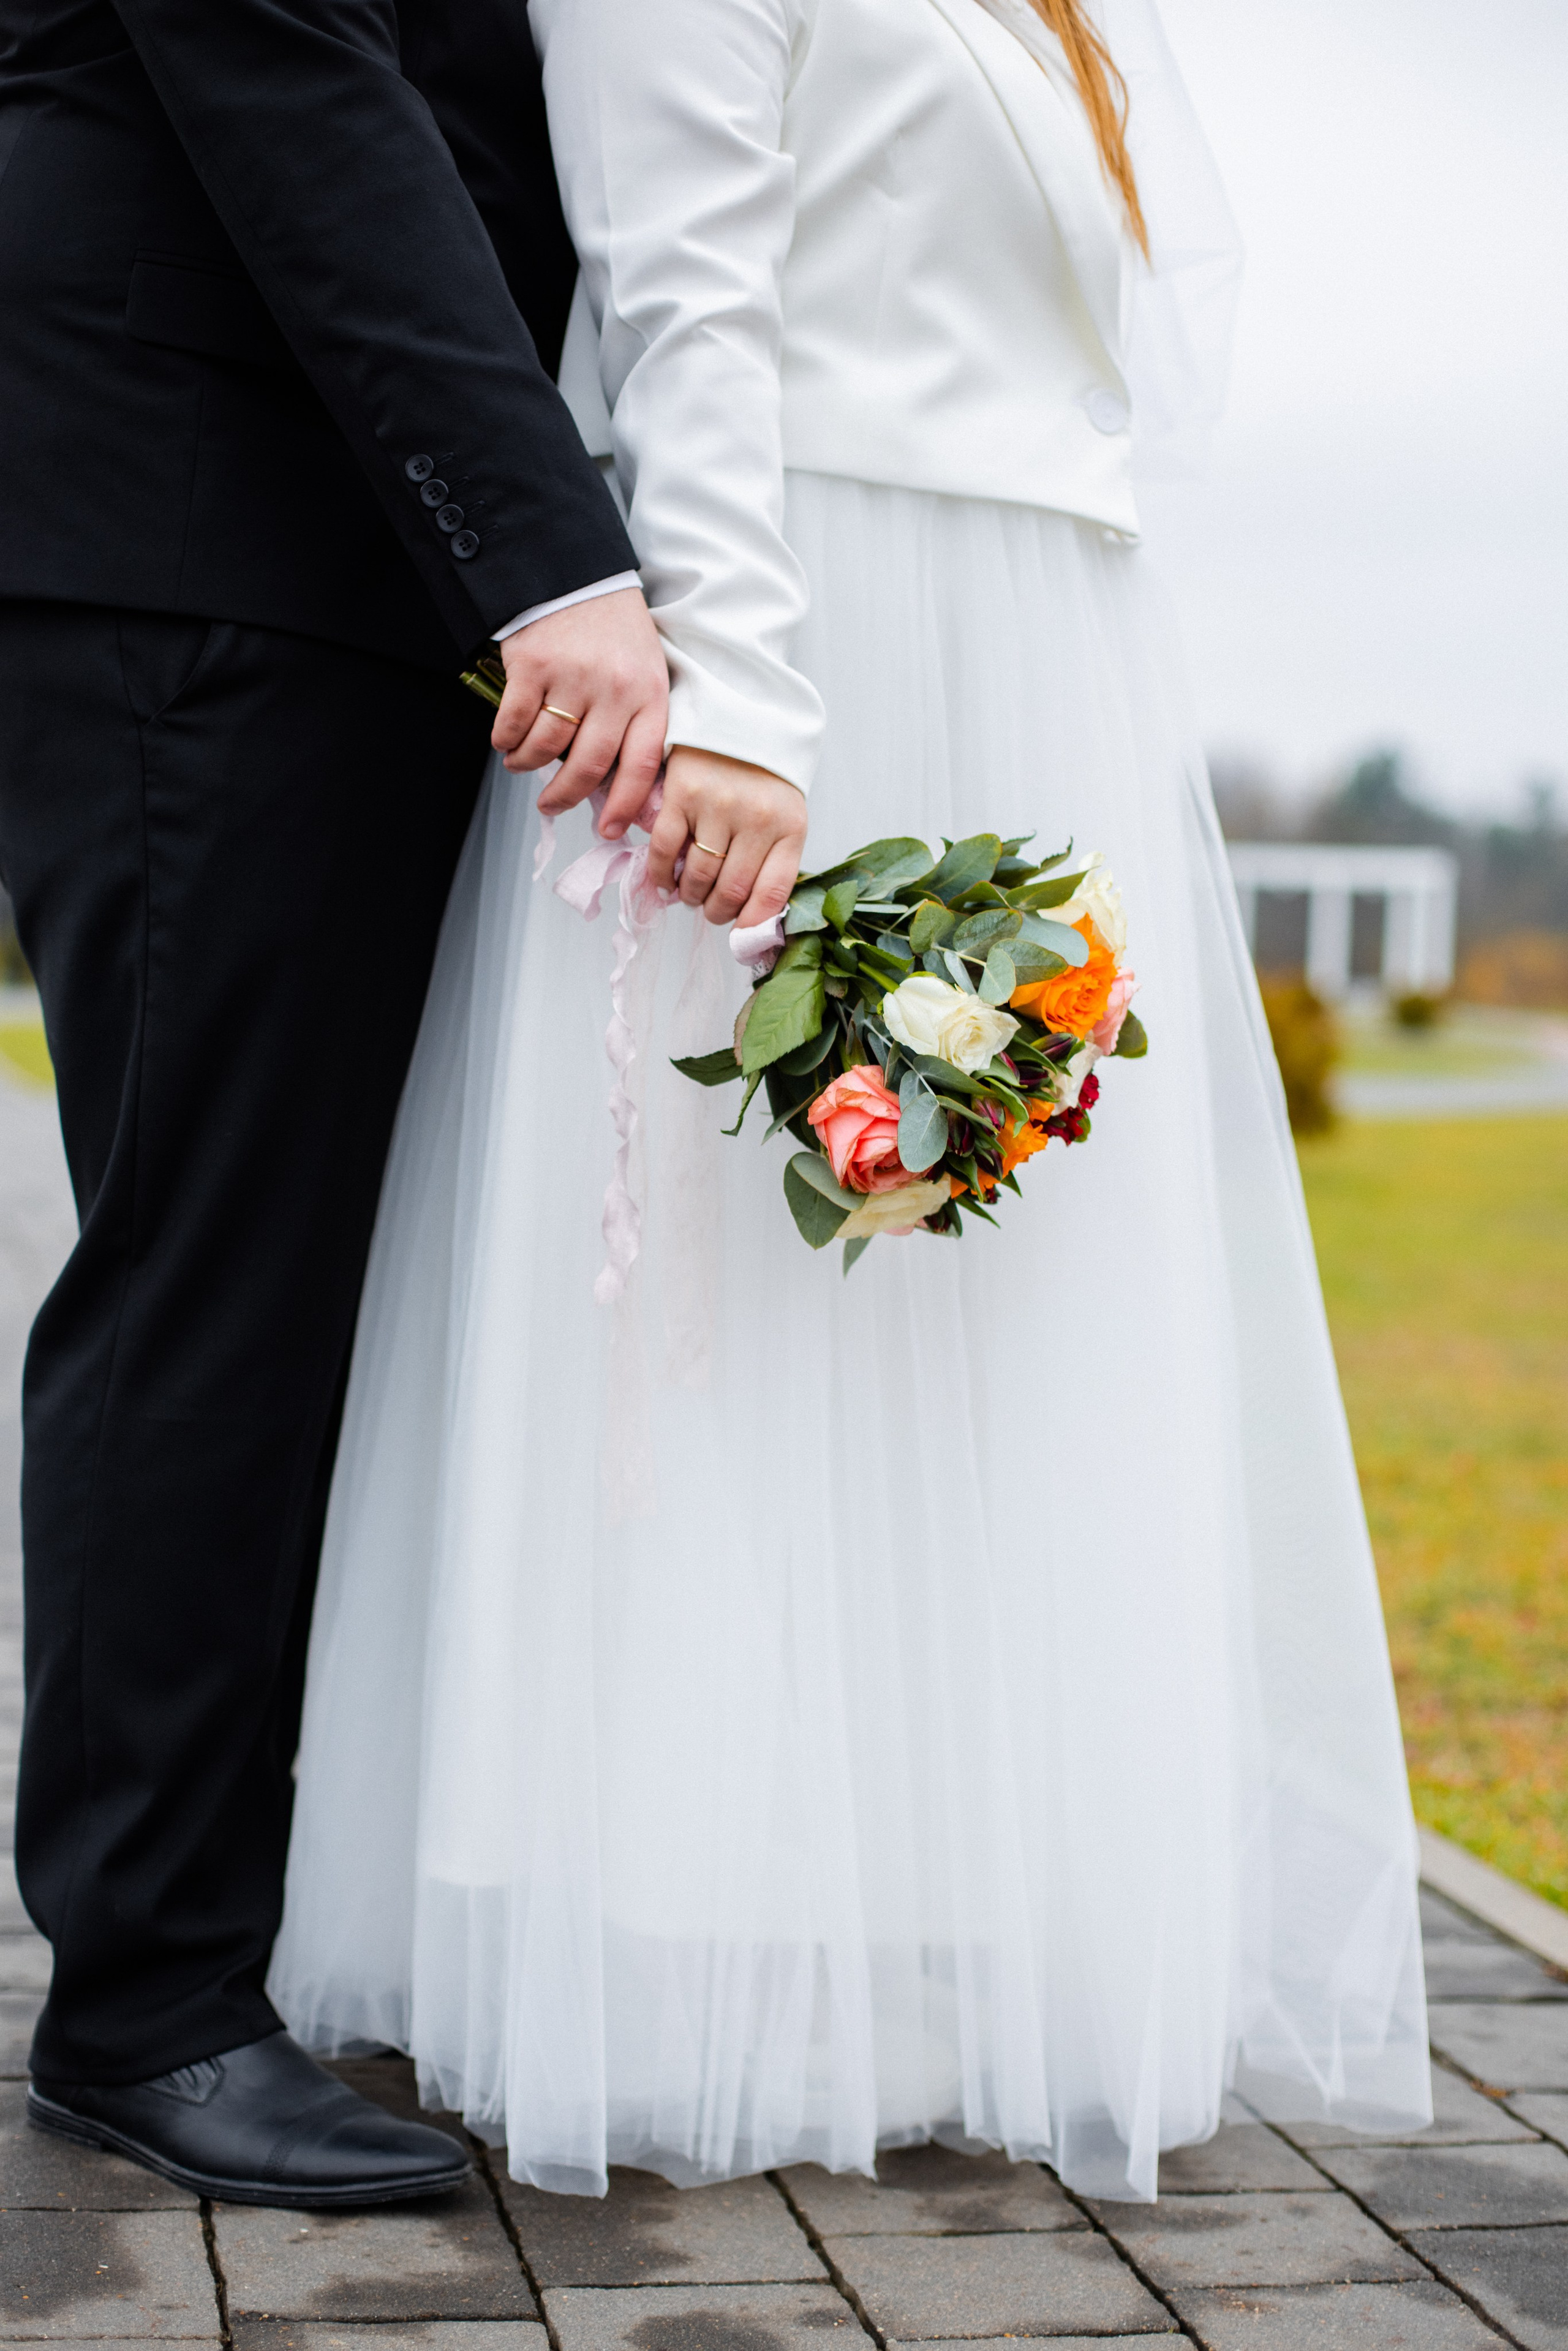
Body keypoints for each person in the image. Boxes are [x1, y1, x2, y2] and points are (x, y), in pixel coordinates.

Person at [268, 0, 1434, 2199]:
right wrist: (753, 710)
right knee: (733, 1307)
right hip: (809, 642)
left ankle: (927, 1884)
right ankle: (683, 1925)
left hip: (1030, 650)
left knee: (993, 1318)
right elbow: (682, 291)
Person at [0, 0, 681, 2206]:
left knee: (300, 1279)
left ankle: (234, 1934)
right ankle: (149, 2005)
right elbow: (287, 68)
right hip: (212, 531)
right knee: (223, 1276)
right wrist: (553, 558)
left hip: (326, 565)